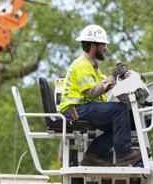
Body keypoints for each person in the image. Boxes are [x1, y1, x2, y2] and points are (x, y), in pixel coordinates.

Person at [58, 23, 139, 167]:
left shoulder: (91, 66)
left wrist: (120, 77)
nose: (105, 48)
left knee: (126, 119)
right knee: (120, 110)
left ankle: (93, 156)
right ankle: (124, 154)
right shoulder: (82, 65)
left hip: (81, 108)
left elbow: (105, 83)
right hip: (74, 110)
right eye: (103, 45)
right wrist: (113, 76)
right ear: (93, 46)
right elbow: (93, 91)